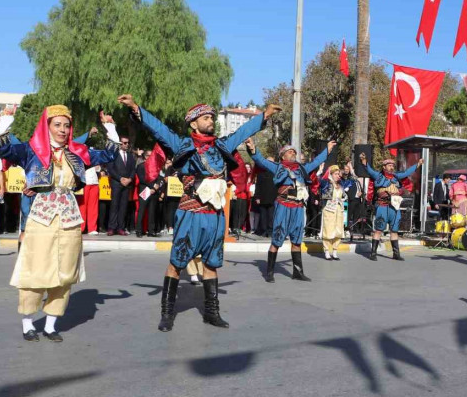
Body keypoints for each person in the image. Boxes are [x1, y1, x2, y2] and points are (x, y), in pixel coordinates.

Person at [117, 94, 279, 332]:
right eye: (206, 117)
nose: (211, 120)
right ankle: (167, 313)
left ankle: (212, 313)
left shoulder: (221, 146)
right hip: (190, 213)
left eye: (212, 117)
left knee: (211, 265)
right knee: (176, 263)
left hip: (214, 216)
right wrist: (135, 108)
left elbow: (242, 133)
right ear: (193, 123)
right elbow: (159, 128)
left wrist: (263, 115)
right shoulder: (182, 145)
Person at [0, 105, 120, 342]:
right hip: (41, 218)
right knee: (36, 269)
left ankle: (51, 325)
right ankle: (28, 323)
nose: (63, 130)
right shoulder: (31, 150)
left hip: (70, 218)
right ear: (47, 126)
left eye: (66, 125)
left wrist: (110, 127)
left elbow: (110, 154)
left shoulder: (78, 153)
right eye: (57, 125)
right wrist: (5, 122)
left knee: (65, 271)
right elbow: (3, 149)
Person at [250, 139, 334, 282]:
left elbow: (315, 162)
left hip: (298, 207)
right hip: (283, 205)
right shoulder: (277, 167)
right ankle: (269, 273)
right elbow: (261, 161)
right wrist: (253, 149)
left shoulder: (302, 169)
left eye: (294, 152)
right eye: (290, 152)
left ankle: (298, 272)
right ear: (282, 156)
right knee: (277, 239)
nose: (293, 153)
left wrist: (327, 150)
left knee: (296, 240)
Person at [361, 154, 423, 261]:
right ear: (384, 167)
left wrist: (418, 164)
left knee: (394, 231)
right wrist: (364, 161)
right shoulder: (378, 176)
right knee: (379, 230)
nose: (391, 167)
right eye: (389, 165)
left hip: (394, 207)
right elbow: (369, 170)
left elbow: (407, 172)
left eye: (392, 165)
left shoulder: (396, 176)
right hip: (382, 206)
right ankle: (373, 253)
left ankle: (396, 254)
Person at [106, 135, 136, 236]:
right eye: (124, 143)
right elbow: (110, 169)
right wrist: (120, 179)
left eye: (127, 143)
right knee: (114, 206)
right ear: (120, 143)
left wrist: (130, 179)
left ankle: (120, 228)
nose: (127, 145)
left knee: (123, 206)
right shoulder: (113, 154)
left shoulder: (131, 156)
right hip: (116, 183)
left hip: (127, 184)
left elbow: (133, 170)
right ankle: (111, 227)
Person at [320, 162, 349, 261]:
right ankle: (327, 251)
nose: (338, 176)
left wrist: (352, 171)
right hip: (329, 210)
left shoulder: (340, 184)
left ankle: (335, 251)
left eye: (338, 174)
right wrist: (320, 171)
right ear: (331, 174)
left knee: (338, 230)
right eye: (336, 174)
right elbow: (319, 181)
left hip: (338, 210)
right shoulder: (326, 183)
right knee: (328, 230)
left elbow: (351, 182)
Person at [135, 150, 163, 238]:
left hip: (153, 191)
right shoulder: (140, 166)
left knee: (152, 212)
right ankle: (138, 231)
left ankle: (151, 231)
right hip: (145, 190)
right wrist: (152, 186)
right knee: (141, 211)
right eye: (148, 155)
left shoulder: (156, 166)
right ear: (145, 156)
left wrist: (156, 187)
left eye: (152, 155)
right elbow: (142, 179)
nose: (150, 157)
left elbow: (159, 178)